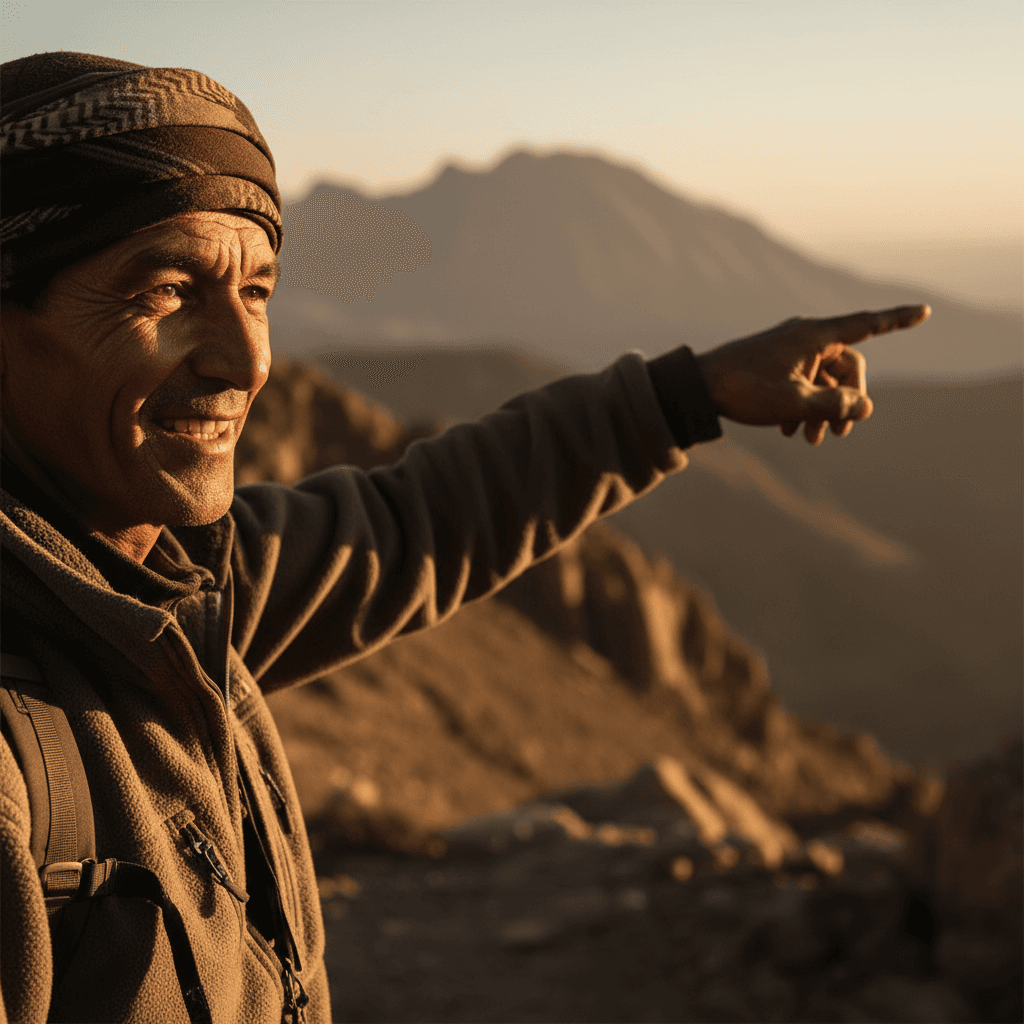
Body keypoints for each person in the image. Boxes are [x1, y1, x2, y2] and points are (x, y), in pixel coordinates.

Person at [0, 50, 930, 1024]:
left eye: (259, 291)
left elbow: (414, 523)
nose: (244, 358)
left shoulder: (159, 587)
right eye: (166, 292)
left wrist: (684, 398)